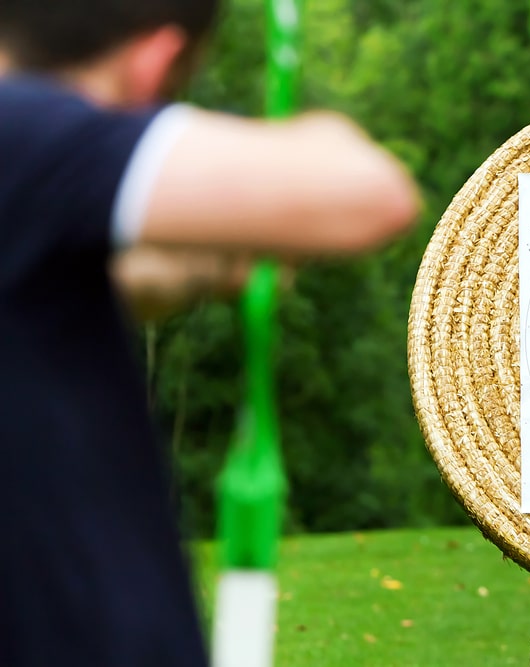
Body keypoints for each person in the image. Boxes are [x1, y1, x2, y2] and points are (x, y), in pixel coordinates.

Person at [0, 1, 420, 665]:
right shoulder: (24, 128)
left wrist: (213, 260)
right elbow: (368, 192)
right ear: (154, 62)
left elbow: (117, 278)